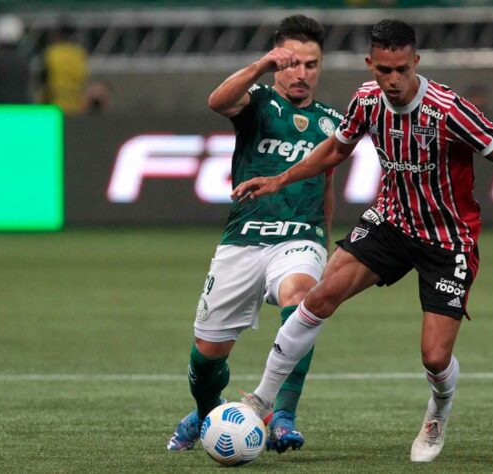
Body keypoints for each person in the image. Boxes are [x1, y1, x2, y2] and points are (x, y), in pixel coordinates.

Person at [231, 19, 493, 463]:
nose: (392, 80)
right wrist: (281, 179)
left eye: (401, 70)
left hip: (447, 240)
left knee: (433, 357)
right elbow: (336, 149)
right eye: (383, 69)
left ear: (416, 63)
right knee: (319, 297)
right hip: (390, 223)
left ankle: (438, 410)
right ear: (371, 63)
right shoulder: (368, 101)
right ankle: (262, 399)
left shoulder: (449, 110)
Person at [166, 15, 342, 455]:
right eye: (292, 63)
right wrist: (262, 65)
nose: (301, 73)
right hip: (242, 239)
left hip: (299, 239)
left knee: (302, 298)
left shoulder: (333, 122)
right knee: (206, 358)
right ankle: (207, 414)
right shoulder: (259, 101)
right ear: (278, 63)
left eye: (311, 64)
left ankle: (283, 414)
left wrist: (323, 243)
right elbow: (216, 101)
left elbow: (327, 185)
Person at [40, 23, 88, 115]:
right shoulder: (79, 54)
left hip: (55, 103)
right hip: (76, 104)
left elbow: (44, 80)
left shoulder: (51, 53)